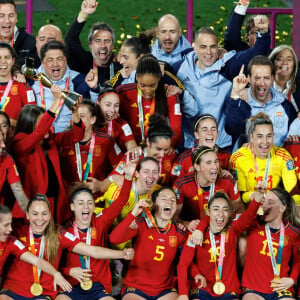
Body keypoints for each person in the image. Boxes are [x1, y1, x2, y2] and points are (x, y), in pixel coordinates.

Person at [0, 194, 134, 299]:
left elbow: (90, 250)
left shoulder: (59, 233)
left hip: (43, 291)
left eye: (44, 213)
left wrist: (122, 254)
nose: (39, 218)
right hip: (13, 287)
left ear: (50, 215)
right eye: (35, 214)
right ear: (28, 215)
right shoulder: (16, 229)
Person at [173, 23, 271, 149]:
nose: (208, 52)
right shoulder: (179, 68)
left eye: (212, 47)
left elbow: (256, 53)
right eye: (203, 47)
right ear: (194, 47)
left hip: (221, 146)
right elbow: (156, 73)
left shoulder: (229, 66)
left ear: (218, 47)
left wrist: (263, 33)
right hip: (188, 145)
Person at [56, 159, 136, 300]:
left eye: (89, 203)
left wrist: (128, 177)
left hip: (98, 286)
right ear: (72, 207)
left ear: (94, 206)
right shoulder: (64, 230)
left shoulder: (100, 221)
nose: (85, 207)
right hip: (71, 285)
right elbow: (54, 266)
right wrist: (69, 270)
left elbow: (121, 201)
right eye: (80, 203)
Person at [11, 85, 84, 223]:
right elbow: (38, 133)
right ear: (29, 125)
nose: (48, 127)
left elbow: (77, 136)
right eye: (43, 123)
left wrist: (75, 114)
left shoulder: (50, 140)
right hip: (34, 204)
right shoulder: (20, 142)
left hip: (57, 200)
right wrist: (56, 101)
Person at [177, 186, 264, 300]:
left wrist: (259, 195)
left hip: (229, 290)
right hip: (202, 289)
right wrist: (183, 294)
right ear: (208, 212)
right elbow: (183, 265)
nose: (221, 214)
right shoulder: (196, 234)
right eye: (216, 209)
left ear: (230, 214)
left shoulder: (232, 230)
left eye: (225, 209)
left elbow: (249, 215)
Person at [110, 186, 187, 300]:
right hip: (136, 288)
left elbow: (185, 264)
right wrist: (133, 214)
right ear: (154, 204)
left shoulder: (180, 232)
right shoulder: (141, 223)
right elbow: (114, 239)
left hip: (165, 290)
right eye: (164, 199)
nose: (169, 202)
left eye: (173, 200)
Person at [0, 204, 72, 296]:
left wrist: (55, 273)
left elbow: (36, 260)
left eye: (10, 224)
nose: (10, 229)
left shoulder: (11, 242)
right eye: (6, 225)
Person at [225, 56, 297, 148]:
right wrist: (235, 93)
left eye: (266, 78)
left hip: (278, 161)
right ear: (249, 79)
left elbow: (293, 139)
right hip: (246, 161)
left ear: (272, 78)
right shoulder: (239, 101)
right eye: (257, 78)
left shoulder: (285, 106)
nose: (262, 83)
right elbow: (232, 129)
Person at [241, 188, 300, 299]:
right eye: (265, 201)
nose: (265, 205)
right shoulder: (252, 223)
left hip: (280, 288)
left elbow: (298, 259)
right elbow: (238, 223)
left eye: (271, 202)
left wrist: (292, 279)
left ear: (282, 208)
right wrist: (256, 200)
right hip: (253, 288)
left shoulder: (294, 233)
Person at [229, 112, 298, 206]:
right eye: (260, 136)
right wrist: (256, 196)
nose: (265, 142)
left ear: (273, 136)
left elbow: (293, 192)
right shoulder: (238, 158)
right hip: (248, 211)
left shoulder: (283, 156)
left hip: (274, 208)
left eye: (269, 136)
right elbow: (239, 197)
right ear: (251, 137)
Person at [31, 40, 98, 133]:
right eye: (50, 60)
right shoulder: (31, 79)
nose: (55, 64)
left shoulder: (78, 80)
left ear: (66, 60)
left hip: (69, 138)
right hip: (39, 138)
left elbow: (92, 111)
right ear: (42, 62)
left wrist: (94, 89)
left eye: (59, 59)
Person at [117, 54, 182, 148]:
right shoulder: (123, 92)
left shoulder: (169, 94)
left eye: (152, 85)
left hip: (159, 149)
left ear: (159, 78)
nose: (147, 91)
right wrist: (129, 141)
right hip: (130, 149)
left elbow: (176, 131)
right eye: (142, 85)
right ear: (136, 78)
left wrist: (166, 146)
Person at [58, 99, 122, 196]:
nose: (77, 120)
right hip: (70, 202)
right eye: (74, 116)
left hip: (97, 200)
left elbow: (121, 168)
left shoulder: (105, 141)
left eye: (82, 116)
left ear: (93, 120)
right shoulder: (64, 141)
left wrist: (102, 184)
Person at [173, 146, 241, 232]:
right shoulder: (182, 184)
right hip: (193, 231)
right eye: (208, 163)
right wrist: (186, 224)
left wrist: (228, 224)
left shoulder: (228, 181)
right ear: (197, 167)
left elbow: (238, 209)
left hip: (220, 230)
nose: (215, 167)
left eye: (216, 162)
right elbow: (174, 217)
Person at [101, 157, 161, 244]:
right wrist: (128, 221)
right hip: (112, 238)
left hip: (138, 238)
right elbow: (106, 223)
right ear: (136, 174)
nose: (151, 176)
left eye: (155, 172)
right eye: (146, 171)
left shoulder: (159, 192)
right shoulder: (117, 191)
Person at [109, 114, 176, 188]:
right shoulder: (133, 157)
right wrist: (114, 178)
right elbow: (110, 180)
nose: (162, 154)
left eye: (166, 149)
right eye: (158, 149)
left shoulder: (171, 155)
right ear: (148, 142)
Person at [65, 0, 121, 87]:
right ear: (90, 44)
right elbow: (70, 40)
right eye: (98, 41)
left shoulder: (120, 65)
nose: (103, 45)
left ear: (113, 45)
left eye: (107, 41)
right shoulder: (83, 62)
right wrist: (83, 14)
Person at [171, 114, 231, 181]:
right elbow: (174, 184)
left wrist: (228, 177)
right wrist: (189, 177)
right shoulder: (182, 159)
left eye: (213, 129)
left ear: (217, 134)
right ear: (197, 135)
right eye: (204, 130)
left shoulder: (226, 157)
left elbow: (234, 184)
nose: (210, 133)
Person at [0, 42, 36, 128]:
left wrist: (8, 121)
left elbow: (32, 121)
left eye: (7, 57)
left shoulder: (23, 87)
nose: (3, 61)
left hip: (15, 139)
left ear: (13, 61)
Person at [97, 85, 137, 153]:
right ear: (98, 104)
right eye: (108, 105)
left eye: (116, 106)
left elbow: (133, 149)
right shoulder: (89, 121)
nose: (112, 110)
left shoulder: (121, 124)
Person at [0, 0, 38, 68]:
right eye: (1, 16)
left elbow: (33, 67)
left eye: (11, 16)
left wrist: (15, 69)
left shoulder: (31, 41)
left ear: (16, 18)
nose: (7, 20)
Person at [0, 130, 29, 212]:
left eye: (3, 140)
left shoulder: (7, 159)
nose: (3, 145)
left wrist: (34, 215)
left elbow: (20, 195)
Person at [269, 45, 300, 112]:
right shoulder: (263, 85)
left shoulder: (298, 84)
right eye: (279, 59)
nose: (284, 63)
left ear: (294, 65)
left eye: (289, 60)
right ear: (272, 63)